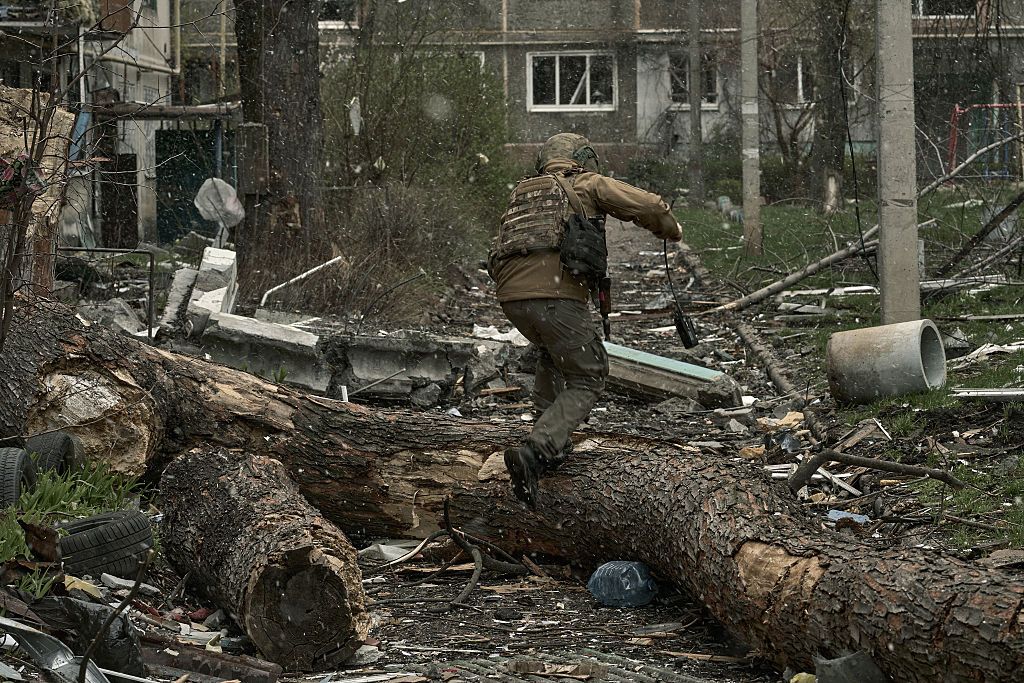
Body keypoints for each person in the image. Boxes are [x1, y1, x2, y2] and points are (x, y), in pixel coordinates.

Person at [487, 132, 683, 507]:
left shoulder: (523, 193)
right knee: (589, 373)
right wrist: (671, 230)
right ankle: (538, 448)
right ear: (582, 158)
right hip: (555, 296)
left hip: (511, 298)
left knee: (553, 354)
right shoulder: (587, 182)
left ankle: (549, 441)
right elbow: (651, 206)